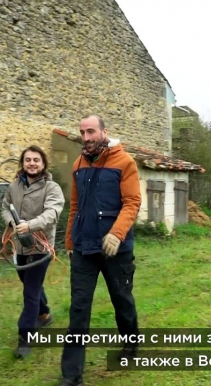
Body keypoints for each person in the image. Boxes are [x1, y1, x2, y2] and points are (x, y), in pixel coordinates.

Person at [59, 114, 141, 386]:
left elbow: (132, 202)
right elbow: (75, 207)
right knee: (79, 308)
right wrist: (70, 241)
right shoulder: (78, 165)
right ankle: (71, 376)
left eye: (91, 132)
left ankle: (131, 345)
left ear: (104, 132)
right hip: (84, 248)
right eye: (82, 133)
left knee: (122, 299)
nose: (86, 138)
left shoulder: (124, 162)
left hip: (116, 249)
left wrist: (117, 234)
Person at [1, 145, 65, 359]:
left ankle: (25, 337)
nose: (32, 163)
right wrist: (12, 223)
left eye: (36, 160)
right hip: (20, 247)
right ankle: (44, 314)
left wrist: (30, 225)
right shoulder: (14, 186)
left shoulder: (52, 188)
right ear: (23, 163)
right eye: (28, 160)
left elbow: (52, 214)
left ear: (43, 164)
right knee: (31, 285)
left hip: (41, 247)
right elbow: (4, 207)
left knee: (30, 291)